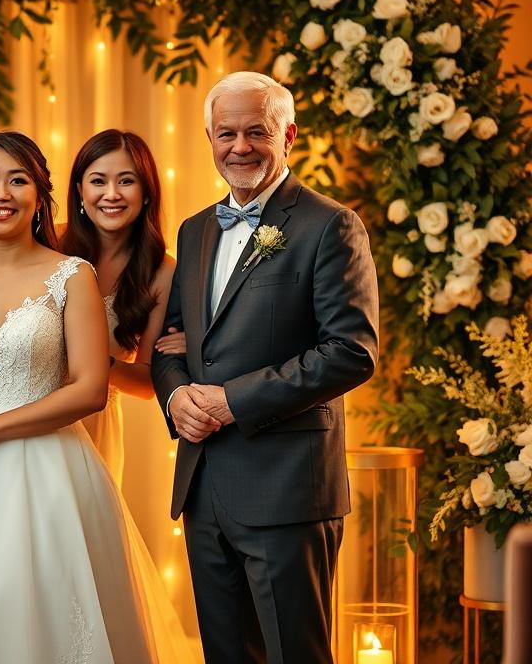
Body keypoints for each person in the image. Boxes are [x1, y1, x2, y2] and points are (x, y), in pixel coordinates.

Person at [0, 132, 199, 663]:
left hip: (50, 465)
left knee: (43, 606)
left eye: (18, 180)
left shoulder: (70, 274)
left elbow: (90, 390)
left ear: (40, 195)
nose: (1, 193)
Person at [152, 71, 379, 663]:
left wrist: (232, 401)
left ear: (289, 136)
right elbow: (172, 343)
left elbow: (351, 351)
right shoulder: (195, 230)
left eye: (258, 132)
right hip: (205, 490)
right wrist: (177, 400)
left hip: (288, 493)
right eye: (226, 133)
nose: (240, 147)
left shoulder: (331, 224)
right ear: (209, 138)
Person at [60, 128, 183, 484]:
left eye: (126, 181)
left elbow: (147, 382)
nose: (111, 194)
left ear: (146, 193)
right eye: (98, 181)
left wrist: (97, 361)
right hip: (27, 408)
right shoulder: (49, 243)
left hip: (95, 423)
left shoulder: (162, 270)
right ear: (80, 191)